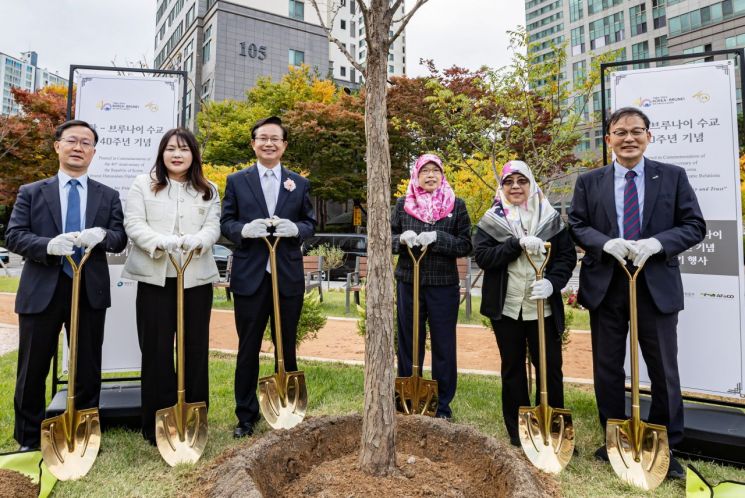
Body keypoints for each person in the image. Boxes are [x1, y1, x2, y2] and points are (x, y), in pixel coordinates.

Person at [568, 107, 706, 479]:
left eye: (636, 131)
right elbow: (577, 224)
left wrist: (658, 244)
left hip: (655, 286)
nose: (629, 138)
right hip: (607, 288)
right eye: (620, 131)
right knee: (608, 368)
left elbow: (694, 225)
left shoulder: (673, 177)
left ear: (648, 136)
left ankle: (665, 443)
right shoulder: (589, 181)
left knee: (663, 369)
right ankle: (616, 438)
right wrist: (604, 242)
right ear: (608, 138)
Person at [5, 119, 128, 451]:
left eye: (86, 143)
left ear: (94, 152)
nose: (79, 147)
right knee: (33, 368)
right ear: (57, 145)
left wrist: (101, 235)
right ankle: (29, 439)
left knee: (87, 366)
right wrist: (47, 245)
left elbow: (119, 238)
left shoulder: (108, 195)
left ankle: (84, 432)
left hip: (88, 290)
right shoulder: (32, 192)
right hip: (42, 290)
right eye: (72, 141)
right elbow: (14, 235)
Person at [122, 128, 221, 445]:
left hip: (195, 279)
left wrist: (200, 241)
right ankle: (156, 423)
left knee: (195, 349)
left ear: (194, 155)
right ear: (161, 153)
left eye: (184, 149)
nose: (177, 154)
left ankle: (193, 419)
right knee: (156, 350)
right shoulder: (143, 184)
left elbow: (213, 227)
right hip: (155, 278)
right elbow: (134, 224)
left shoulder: (208, 190)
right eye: (170, 149)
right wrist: (159, 242)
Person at [220, 116, 316, 438]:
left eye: (276, 138)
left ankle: (287, 404)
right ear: (253, 143)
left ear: (284, 145)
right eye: (263, 138)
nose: (269, 143)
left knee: (286, 344)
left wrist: (297, 230)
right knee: (247, 347)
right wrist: (243, 231)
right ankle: (245, 415)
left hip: (287, 275)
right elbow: (226, 223)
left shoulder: (298, 183)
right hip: (250, 276)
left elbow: (310, 224)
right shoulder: (236, 180)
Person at [473, 160, 575, 447]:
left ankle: (553, 426)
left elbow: (567, 257)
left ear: (531, 184)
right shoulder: (492, 220)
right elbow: (482, 257)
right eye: (509, 182)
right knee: (513, 367)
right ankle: (518, 431)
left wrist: (553, 282)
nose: (515, 186)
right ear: (502, 187)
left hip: (543, 305)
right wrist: (514, 245)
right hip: (507, 309)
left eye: (521, 181)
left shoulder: (550, 218)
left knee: (550, 366)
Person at [391, 153, 472, 420]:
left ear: (442, 175)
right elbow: (387, 240)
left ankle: (442, 405)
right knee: (408, 342)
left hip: (443, 286)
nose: (430, 175)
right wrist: (401, 239)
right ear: (416, 175)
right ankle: (407, 399)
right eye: (424, 170)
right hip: (408, 282)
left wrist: (438, 237)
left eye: (435, 170)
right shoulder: (403, 204)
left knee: (443, 345)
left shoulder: (456, 205)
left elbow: (465, 245)